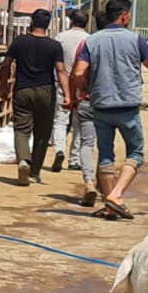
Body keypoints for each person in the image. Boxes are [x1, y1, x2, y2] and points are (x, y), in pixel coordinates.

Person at [70, 0, 148, 220]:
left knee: (106, 155)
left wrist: (83, 90)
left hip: (101, 105)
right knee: (136, 153)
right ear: (125, 16)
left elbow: (78, 73)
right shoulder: (136, 40)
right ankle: (116, 196)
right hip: (127, 106)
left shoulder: (92, 41)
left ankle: (110, 205)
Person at [0, 8, 68, 186]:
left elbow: (5, 65)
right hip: (46, 91)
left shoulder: (19, 42)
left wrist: (3, 87)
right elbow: (60, 70)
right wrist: (67, 95)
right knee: (42, 133)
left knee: (22, 129)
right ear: (48, 24)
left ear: (32, 21)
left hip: (23, 90)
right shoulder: (54, 46)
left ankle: (23, 160)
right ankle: (34, 172)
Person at [53, 10, 98, 204]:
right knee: (81, 126)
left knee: (60, 121)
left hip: (61, 82)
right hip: (83, 86)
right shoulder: (90, 40)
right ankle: (73, 160)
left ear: (71, 21)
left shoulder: (61, 37)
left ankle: (59, 150)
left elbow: (55, 62)